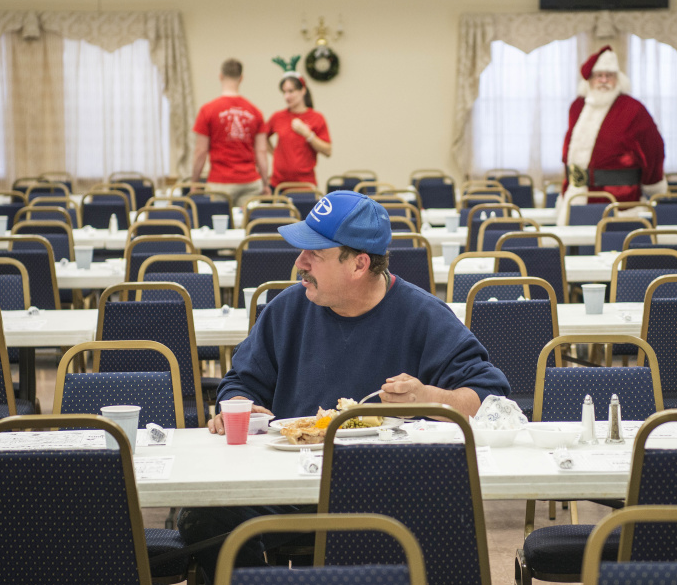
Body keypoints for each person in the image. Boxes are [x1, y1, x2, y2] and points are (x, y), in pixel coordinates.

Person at [177, 190, 510, 580]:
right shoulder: (287, 309)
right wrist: (239, 403)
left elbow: (491, 398)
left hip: (387, 487)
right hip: (292, 485)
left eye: (314, 254)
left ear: (359, 264)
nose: (299, 263)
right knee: (203, 519)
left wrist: (428, 396)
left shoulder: (422, 315)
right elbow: (240, 382)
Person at [555, 45, 667, 225]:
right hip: (576, 197)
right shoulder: (577, 107)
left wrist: (652, 182)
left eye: (609, 76)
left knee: (616, 249)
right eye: (599, 76)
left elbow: (653, 149)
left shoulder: (633, 109)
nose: (604, 80)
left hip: (619, 202)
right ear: (590, 80)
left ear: (618, 79)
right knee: (576, 250)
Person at [190, 58, 272, 204]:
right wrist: (265, 184)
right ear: (241, 78)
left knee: (219, 225)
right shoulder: (255, 112)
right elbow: (261, 152)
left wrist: (194, 183)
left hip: (219, 183)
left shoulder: (207, 110)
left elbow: (200, 151)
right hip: (250, 182)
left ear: (220, 76)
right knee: (248, 225)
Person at [261, 71, 332, 188]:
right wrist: (275, 153)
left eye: (291, 91)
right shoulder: (278, 117)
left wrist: (308, 134)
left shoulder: (316, 118)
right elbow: (262, 136)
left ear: (303, 90)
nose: (286, 96)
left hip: (306, 185)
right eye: (284, 92)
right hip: (279, 184)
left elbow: (328, 151)